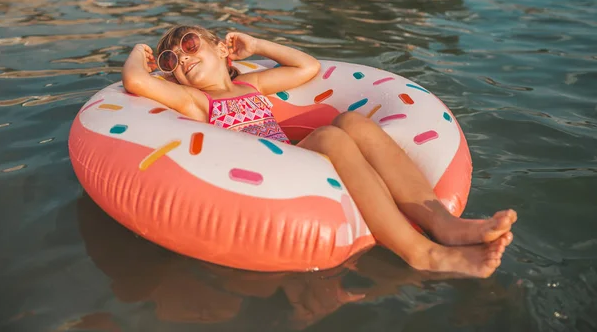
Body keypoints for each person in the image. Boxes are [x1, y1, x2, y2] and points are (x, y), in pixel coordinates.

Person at [122, 25, 517, 278]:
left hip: (292, 156)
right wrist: (141, 53)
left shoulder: (251, 86)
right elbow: (136, 81)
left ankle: (443, 223)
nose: (184, 58)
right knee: (330, 138)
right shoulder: (196, 103)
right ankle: (421, 253)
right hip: (264, 173)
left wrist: (255, 43)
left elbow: (306, 67)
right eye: (173, 60)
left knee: (353, 123)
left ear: (221, 49)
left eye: (189, 44)